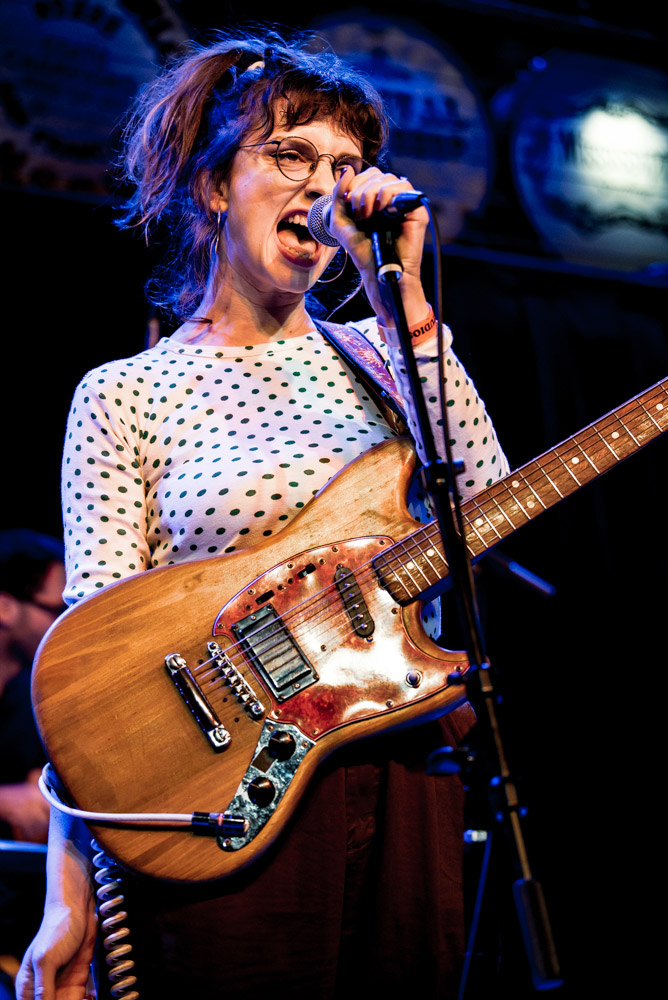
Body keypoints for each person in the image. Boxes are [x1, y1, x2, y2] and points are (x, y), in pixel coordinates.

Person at [17, 28, 508, 1000]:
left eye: (346, 164)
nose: (322, 185)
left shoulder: (386, 354)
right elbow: (94, 683)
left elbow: (484, 507)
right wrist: (66, 895)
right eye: (288, 155)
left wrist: (404, 308)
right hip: (224, 805)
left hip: (401, 767)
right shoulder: (128, 393)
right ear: (211, 186)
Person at [0, 529, 65, 998]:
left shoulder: (33, 693)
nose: (68, 625)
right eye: (59, 611)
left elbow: (38, 815)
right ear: (5, 607)